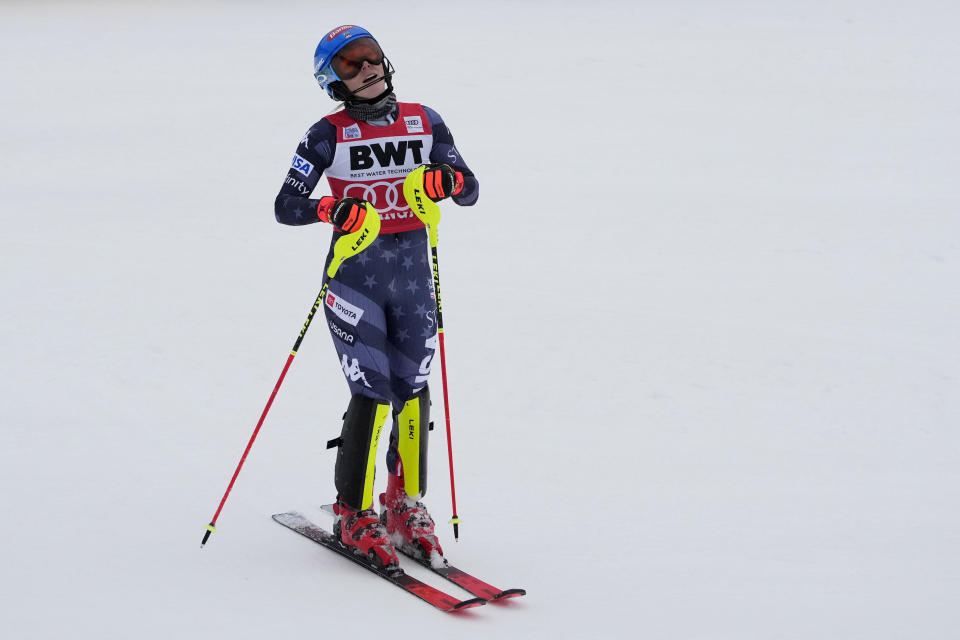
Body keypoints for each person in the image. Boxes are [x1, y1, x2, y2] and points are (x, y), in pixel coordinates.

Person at [273, 25, 478, 569]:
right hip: (355, 281)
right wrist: (328, 209)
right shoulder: (326, 133)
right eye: (349, 65)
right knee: (372, 388)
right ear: (331, 81)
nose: (366, 69)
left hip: (412, 279)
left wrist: (445, 182)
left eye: (370, 56)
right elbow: (286, 204)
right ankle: (352, 512)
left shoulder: (424, 119)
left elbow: (470, 186)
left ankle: (403, 504)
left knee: (413, 387)